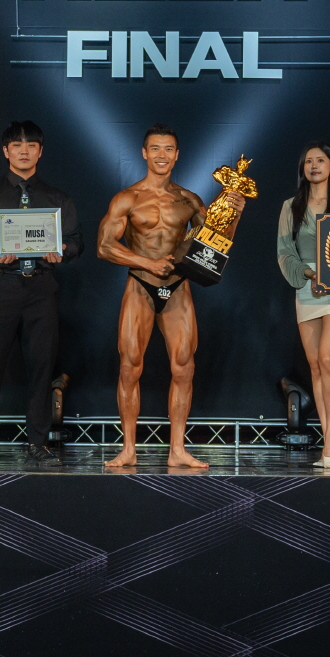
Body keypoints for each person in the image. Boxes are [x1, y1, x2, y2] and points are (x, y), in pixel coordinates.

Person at [96, 124, 242, 470]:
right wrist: (147, 262)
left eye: (168, 149)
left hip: (177, 288)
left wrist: (234, 212)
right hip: (140, 285)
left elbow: (215, 244)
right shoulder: (127, 198)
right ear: (144, 153)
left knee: (184, 367)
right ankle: (128, 449)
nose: (162, 155)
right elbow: (104, 246)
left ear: (177, 155)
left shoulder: (189, 200)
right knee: (130, 366)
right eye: (155, 149)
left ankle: (177, 449)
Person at [0, 120, 83, 465]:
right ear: (5, 151)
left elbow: (76, 241)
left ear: (40, 152)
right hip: (0, 286)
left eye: (31, 146)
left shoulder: (57, 198)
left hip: (41, 287)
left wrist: (62, 250)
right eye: (17, 145)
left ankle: (38, 444)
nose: (24, 151)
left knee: (41, 369)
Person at [277, 143, 330, 469]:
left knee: (327, 357)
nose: (313, 165)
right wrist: (310, 274)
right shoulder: (290, 207)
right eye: (308, 161)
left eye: (320, 160)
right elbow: (285, 251)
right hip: (307, 286)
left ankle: (329, 439)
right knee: (315, 365)